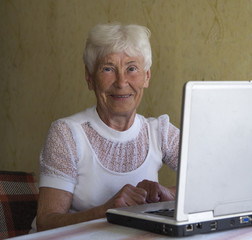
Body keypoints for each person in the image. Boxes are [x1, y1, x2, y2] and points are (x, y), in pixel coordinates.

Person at [32, 23, 179, 232]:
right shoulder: (67, 133)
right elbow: (45, 223)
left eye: (132, 68)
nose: (121, 82)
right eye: (108, 69)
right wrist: (106, 211)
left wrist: (169, 194)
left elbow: (212, 180)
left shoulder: (160, 132)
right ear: (90, 78)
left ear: (146, 76)